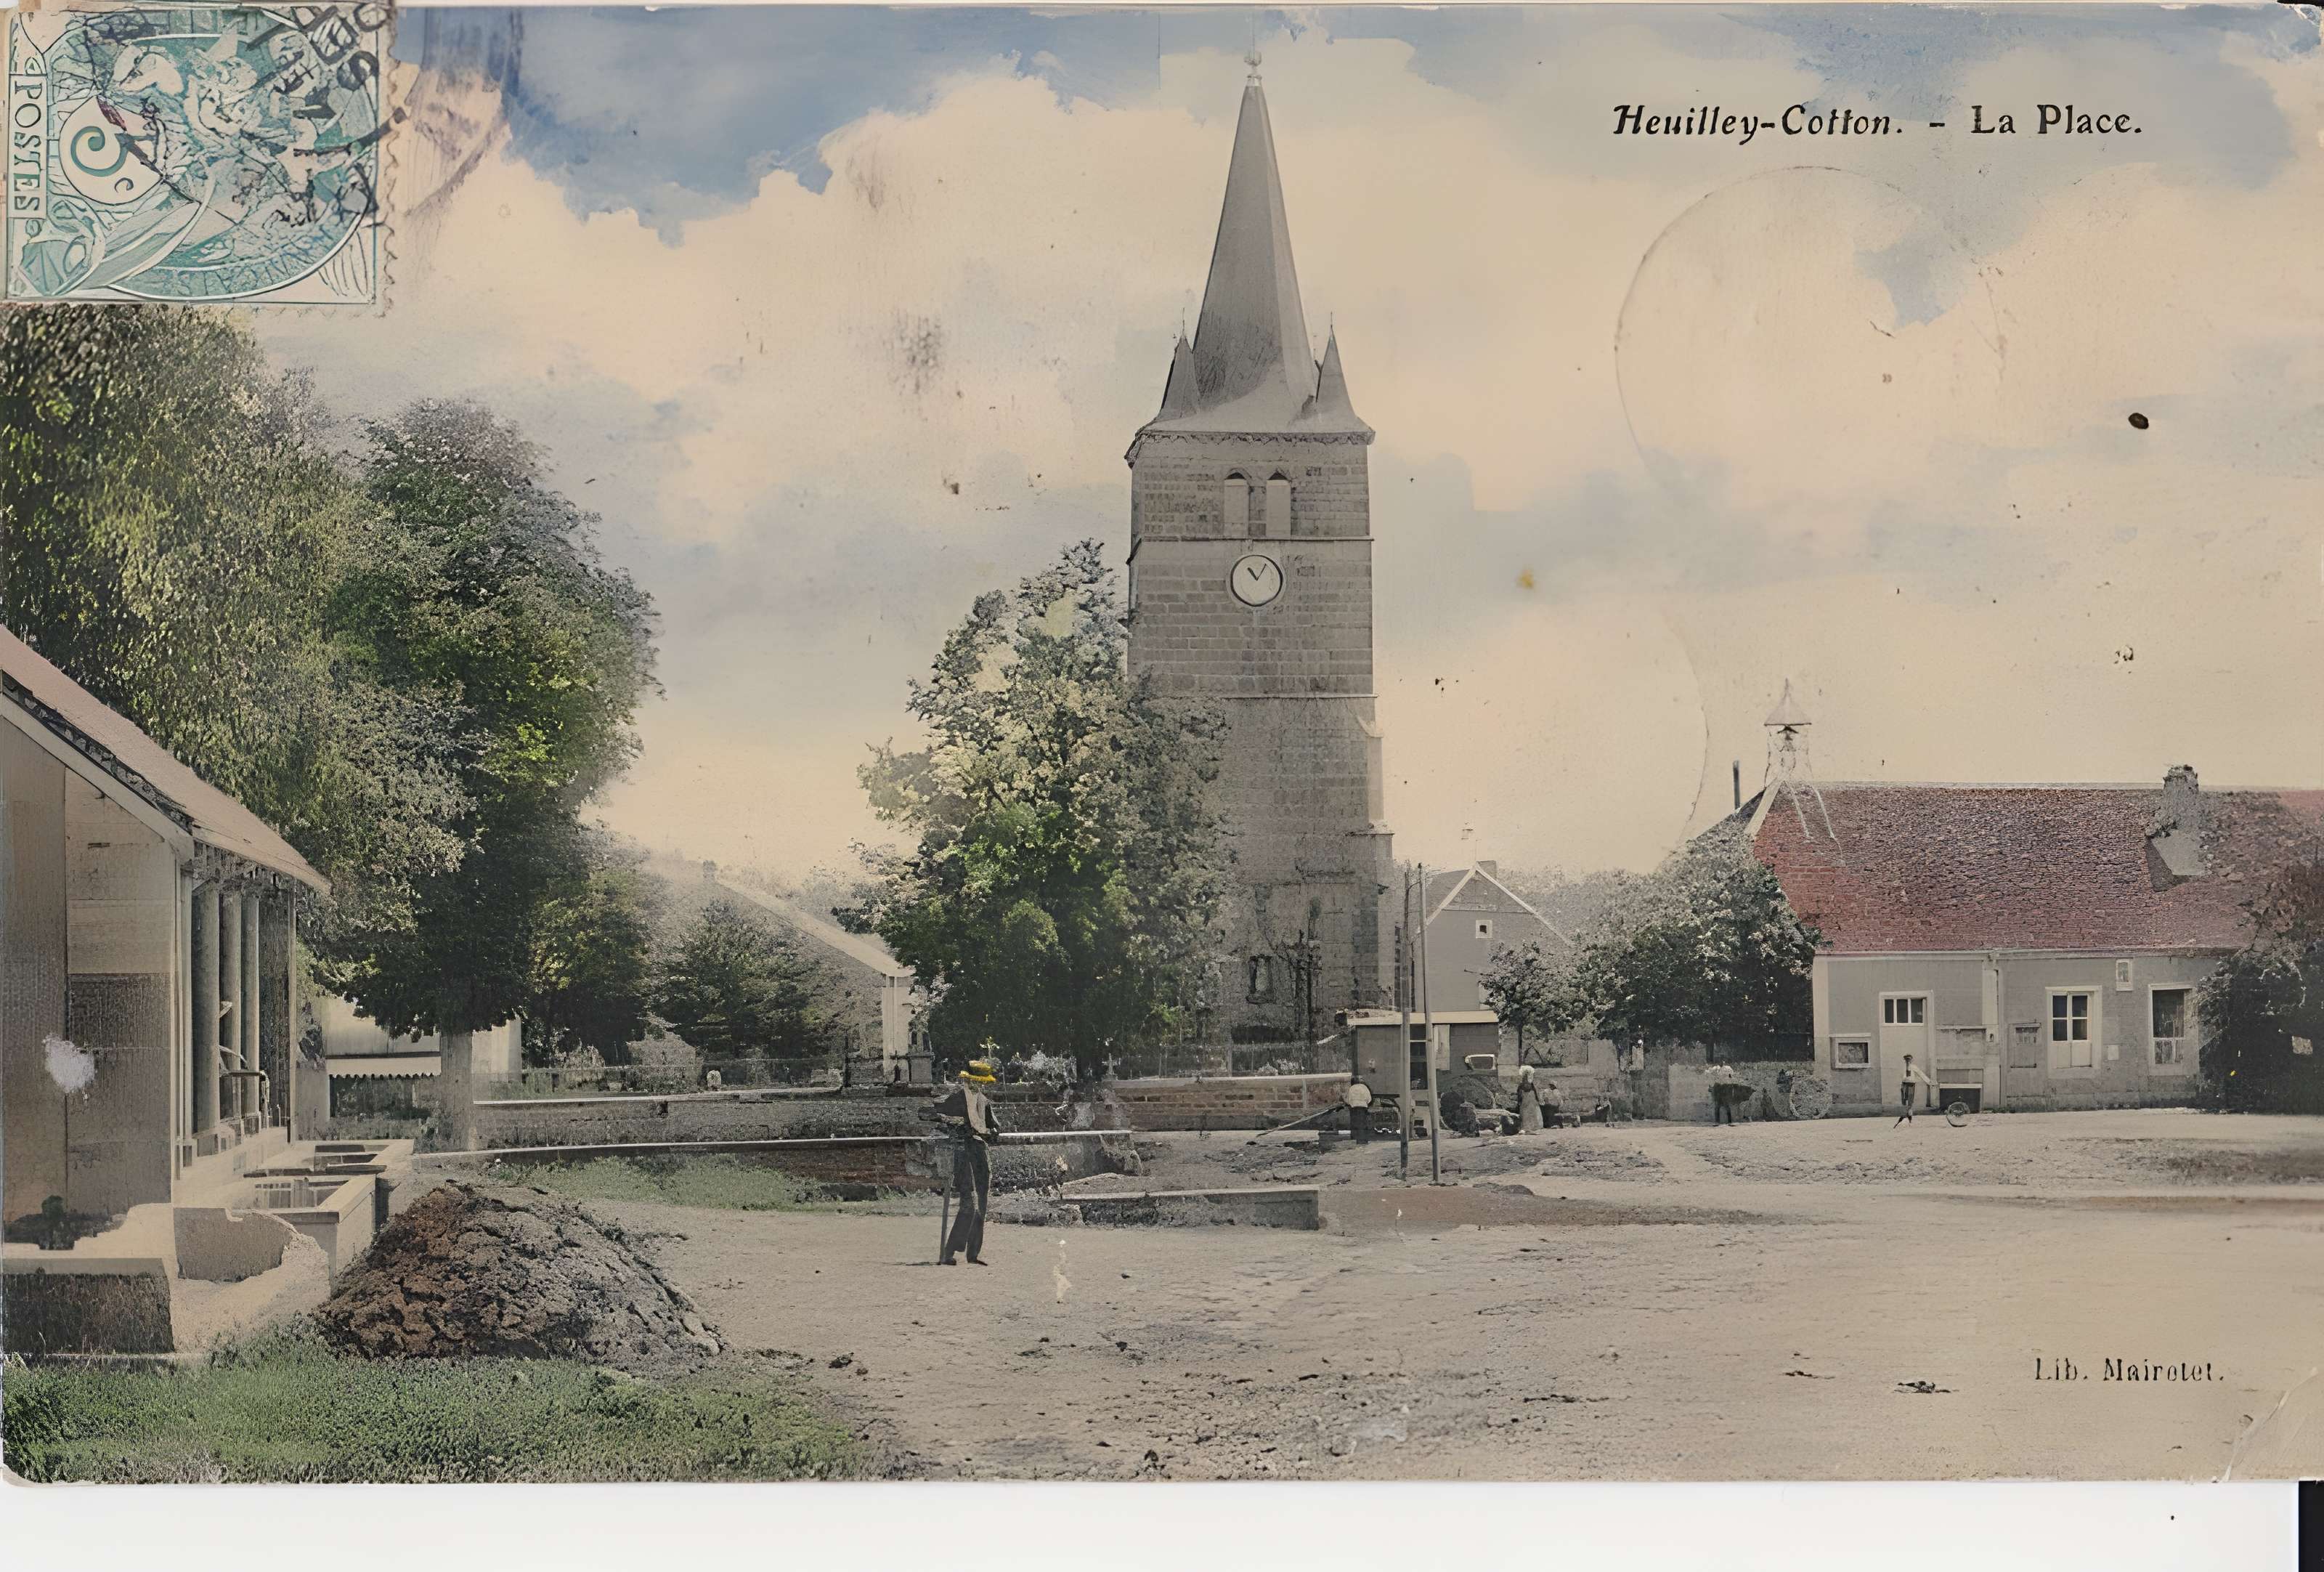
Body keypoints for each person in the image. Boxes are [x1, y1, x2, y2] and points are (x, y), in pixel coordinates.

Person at [927, 1058, 1003, 1263]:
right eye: (974, 1080)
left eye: (982, 1081)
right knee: (970, 1205)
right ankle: (949, 1251)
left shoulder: (984, 1101)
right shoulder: (955, 1099)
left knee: (983, 1205)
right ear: (966, 1080)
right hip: (964, 1152)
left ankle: (973, 1254)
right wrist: (952, 1124)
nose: (978, 1084)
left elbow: (996, 1127)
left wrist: (993, 1132)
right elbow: (931, 1113)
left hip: (981, 1152)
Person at [1893, 1054, 1937, 1127]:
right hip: (1904, 1085)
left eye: (1909, 1059)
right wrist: (1900, 1085)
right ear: (1905, 1060)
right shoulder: (1903, 1068)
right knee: (1904, 1102)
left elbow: (1921, 1074)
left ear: (1911, 1060)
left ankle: (1909, 1118)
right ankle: (1904, 1116)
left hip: (1911, 1085)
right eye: (1906, 1059)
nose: (1908, 1061)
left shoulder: (1914, 1067)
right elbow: (1900, 1077)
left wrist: (1929, 1082)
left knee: (1910, 1102)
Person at [1344, 1076, 1375, 1143]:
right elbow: (1369, 1098)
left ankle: (1358, 1140)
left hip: (1354, 1108)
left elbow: (1349, 1099)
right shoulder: (1364, 1088)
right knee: (1363, 1124)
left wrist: (1352, 1103)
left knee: (1356, 1124)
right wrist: (1365, 1103)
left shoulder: (1351, 1088)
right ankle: (1363, 1140)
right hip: (1363, 1107)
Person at [1516, 1064, 1544, 1133]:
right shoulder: (1530, 1084)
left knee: (1527, 1112)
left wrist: (1519, 1100)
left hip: (1527, 1100)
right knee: (1530, 1112)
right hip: (1529, 1099)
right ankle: (1531, 1127)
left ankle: (1528, 1127)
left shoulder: (1522, 1084)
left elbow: (1520, 1093)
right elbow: (1534, 1091)